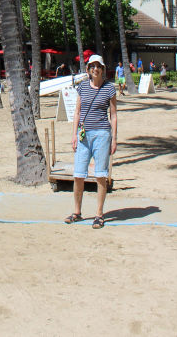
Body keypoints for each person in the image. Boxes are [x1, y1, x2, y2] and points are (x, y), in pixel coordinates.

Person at [65, 54, 117, 230]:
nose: (96, 69)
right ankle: (77, 212)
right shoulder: (82, 87)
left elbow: (114, 115)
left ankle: (99, 214)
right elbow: (78, 112)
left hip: (102, 134)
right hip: (84, 135)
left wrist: (114, 139)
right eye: (92, 66)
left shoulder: (109, 89)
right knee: (78, 174)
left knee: (100, 175)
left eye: (99, 66)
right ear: (88, 69)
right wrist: (73, 135)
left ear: (103, 69)